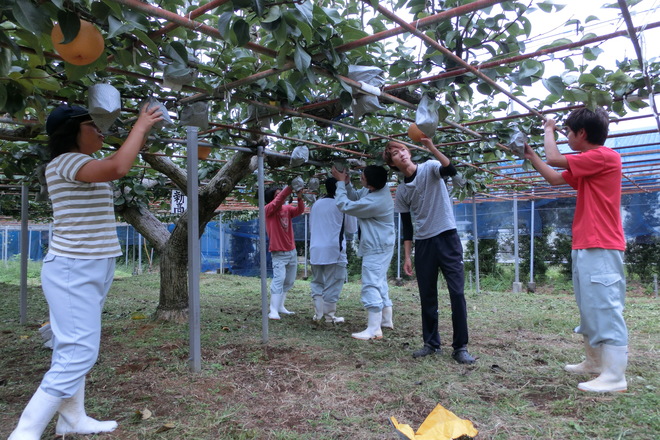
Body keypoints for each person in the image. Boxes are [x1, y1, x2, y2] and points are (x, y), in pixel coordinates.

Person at [8, 103, 163, 439]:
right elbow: (119, 166)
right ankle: (26, 431)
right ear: (71, 132)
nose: (101, 131)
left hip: (90, 266)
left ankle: (72, 419)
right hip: (73, 269)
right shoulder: (66, 162)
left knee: (71, 349)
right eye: (93, 125)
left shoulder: (81, 164)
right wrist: (141, 125)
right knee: (79, 352)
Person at [524, 107, 628, 393]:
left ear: (582, 133)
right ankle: (595, 363)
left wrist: (548, 127)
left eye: (567, 132)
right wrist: (531, 157)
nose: (565, 136)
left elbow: (554, 159)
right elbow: (555, 178)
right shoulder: (589, 164)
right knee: (590, 307)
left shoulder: (604, 156)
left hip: (601, 244)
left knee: (605, 306)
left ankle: (615, 375)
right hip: (587, 243)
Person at [383, 137, 476, 364]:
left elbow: (450, 169)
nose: (402, 154)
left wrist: (432, 148)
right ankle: (431, 344)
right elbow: (407, 226)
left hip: (447, 237)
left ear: (409, 153)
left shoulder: (431, 168)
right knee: (427, 296)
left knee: (457, 293)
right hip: (424, 243)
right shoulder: (402, 191)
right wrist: (407, 256)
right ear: (393, 163)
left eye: (403, 149)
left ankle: (460, 347)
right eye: (396, 154)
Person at [331, 165, 395, 340]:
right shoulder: (376, 191)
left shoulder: (376, 201)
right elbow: (357, 196)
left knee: (370, 284)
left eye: (363, 176)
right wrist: (347, 183)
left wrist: (340, 184)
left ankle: (374, 329)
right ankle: (386, 320)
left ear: (371, 184)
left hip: (377, 247)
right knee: (379, 280)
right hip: (382, 244)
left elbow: (344, 205)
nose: (361, 176)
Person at [309, 177, 358, 323]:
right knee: (333, 283)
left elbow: (312, 227)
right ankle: (329, 317)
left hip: (315, 249)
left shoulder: (316, 204)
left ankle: (318, 315)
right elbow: (352, 228)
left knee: (317, 282)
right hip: (334, 250)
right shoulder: (342, 204)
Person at [264, 182, 305, 320]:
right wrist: (289, 187)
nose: (280, 197)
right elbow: (278, 201)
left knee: (289, 281)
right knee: (279, 279)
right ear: (272, 198)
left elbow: (299, 210)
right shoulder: (268, 209)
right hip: (279, 252)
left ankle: (280, 306)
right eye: (276, 195)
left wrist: (299, 198)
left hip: (291, 251)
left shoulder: (287, 209)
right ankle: (273, 310)